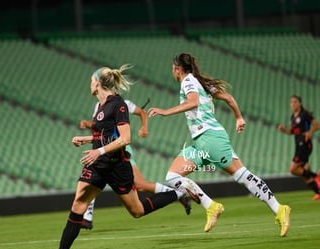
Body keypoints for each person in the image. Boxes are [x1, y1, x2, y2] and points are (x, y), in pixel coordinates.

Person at [39, 64, 191, 249]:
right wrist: (85, 139)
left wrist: (98, 151)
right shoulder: (101, 107)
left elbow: (125, 138)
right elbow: (104, 135)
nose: (90, 84)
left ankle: (178, 193)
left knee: (137, 211)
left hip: (117, 165)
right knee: (79, 202)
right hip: (98, 165)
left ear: (98, 83)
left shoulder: (118, 104)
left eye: (91, 80)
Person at [147, 53, 291, 237]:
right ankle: (211, 206)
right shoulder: (201, 82)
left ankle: (279, 209)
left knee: (242, 175)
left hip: (211, 139)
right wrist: (238, 117)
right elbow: (229, 98)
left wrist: (165, 112)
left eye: (172, 68)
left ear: (177, 68)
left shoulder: (188, 81)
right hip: (201, 143)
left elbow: (193, 101)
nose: (172, 72)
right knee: (173, 176)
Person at [80, 99, 191, 230]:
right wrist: (87, 124)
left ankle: (176, 193)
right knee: (95, 177)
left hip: (119, 149)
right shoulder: (98, 105)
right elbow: (98, 128)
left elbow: (141, 112)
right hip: (105, 148)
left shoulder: (122, 103)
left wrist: (144, 127)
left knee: (141, 185)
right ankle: (87, 217)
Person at [277, 95, 320, 200]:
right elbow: (292, 132)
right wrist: (284, 130)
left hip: (305, 145)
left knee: (293, 169)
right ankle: (318, 191)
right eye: (291, 102)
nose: (293, 104)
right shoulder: (293, 117)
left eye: (295, 102)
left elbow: (317, 125)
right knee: (304, 173)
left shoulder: (304, 114)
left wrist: (309, 132)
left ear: (300, 103)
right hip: (298, 146)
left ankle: (316, 176)